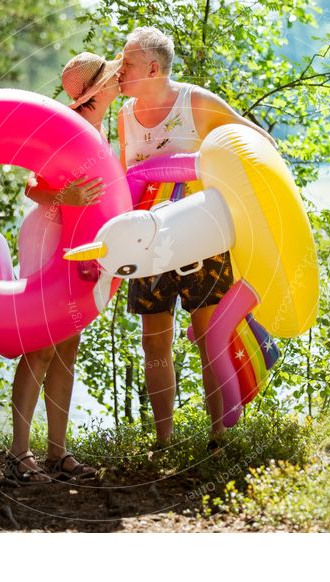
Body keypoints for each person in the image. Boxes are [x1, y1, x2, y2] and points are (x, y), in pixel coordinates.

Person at [116, 27, 275, 454]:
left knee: (209, 336)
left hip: (202, 240)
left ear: (152, 67)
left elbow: (257, 141)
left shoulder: (195, 102)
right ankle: (164, 441)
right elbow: (123, 179)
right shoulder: (125, 114)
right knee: (154, 341)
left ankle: (219, 437)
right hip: (147, 245)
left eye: (126, 62)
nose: (119, 69)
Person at [5, 51, 123, 483]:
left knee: (68, 345)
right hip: (47, 236)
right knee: (39, 343)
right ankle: (19, 453)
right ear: (97, 92)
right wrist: (64, 199)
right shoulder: (65, 126)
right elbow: (32, 186)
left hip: (79, 242)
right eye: (113, 77)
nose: (119, 80)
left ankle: (58, 453)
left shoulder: (101, 126)